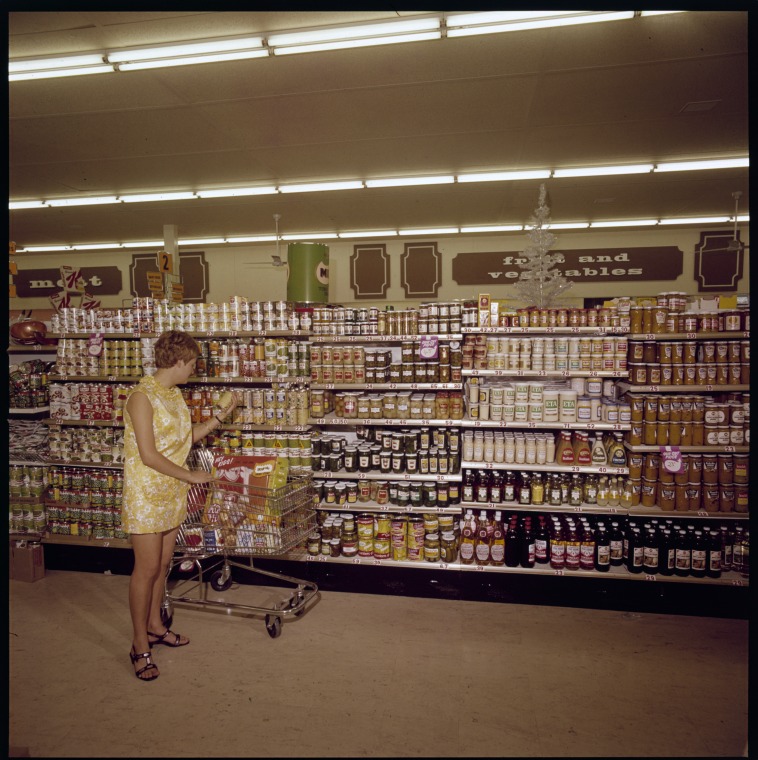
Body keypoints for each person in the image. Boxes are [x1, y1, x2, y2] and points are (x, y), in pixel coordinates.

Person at [121, 330, 238, 681]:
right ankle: (139, 643)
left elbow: (185, 439)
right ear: (178, 361)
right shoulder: (141, 397)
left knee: (161, 565)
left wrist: (220, 417)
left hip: (171, 490)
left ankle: (156, 625)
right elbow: (148, 455)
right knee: (144, 570)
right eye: (192, 364)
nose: (194, 371)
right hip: (145, 493)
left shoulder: (172, 396)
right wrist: (192, 477)